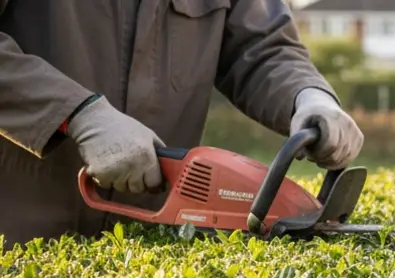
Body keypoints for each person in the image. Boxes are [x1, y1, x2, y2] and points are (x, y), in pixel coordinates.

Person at [0, 0, 365, 247]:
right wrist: (76, 113)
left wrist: (307, 95)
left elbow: (263, 48)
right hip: (18, 232)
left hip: (150, 238)